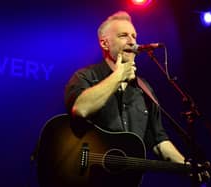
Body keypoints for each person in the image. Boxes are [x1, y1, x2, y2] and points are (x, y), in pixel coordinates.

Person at [64, 10, 186, 186]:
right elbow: (81, 109)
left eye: (134, 36)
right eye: (123, 36)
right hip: (86, 180)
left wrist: (188, 166)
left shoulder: (144, 89)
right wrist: (119, 75)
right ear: (105, 43)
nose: (133, 41)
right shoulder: (85, 76)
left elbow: (159, 141)